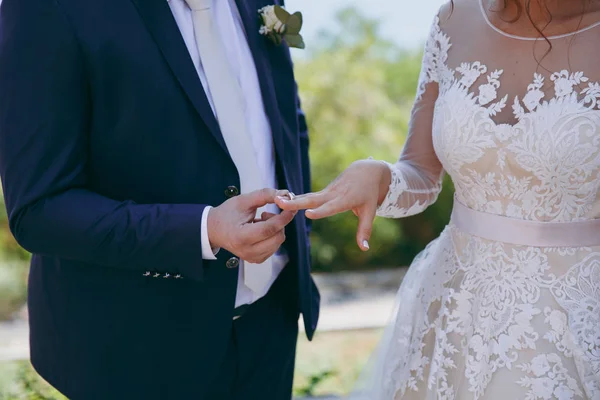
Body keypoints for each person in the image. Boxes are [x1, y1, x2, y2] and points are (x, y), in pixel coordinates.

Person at [276, 0, 600, 398]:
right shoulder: (453, 18)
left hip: (575, 316)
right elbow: (421, 173)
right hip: (453, 314)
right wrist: (380, 178)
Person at [0, 0, 319, 398]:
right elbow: (40, 209)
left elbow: (284, 115)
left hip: (272, 325)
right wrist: (203, 231)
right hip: (136, 349)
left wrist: (301, 222)